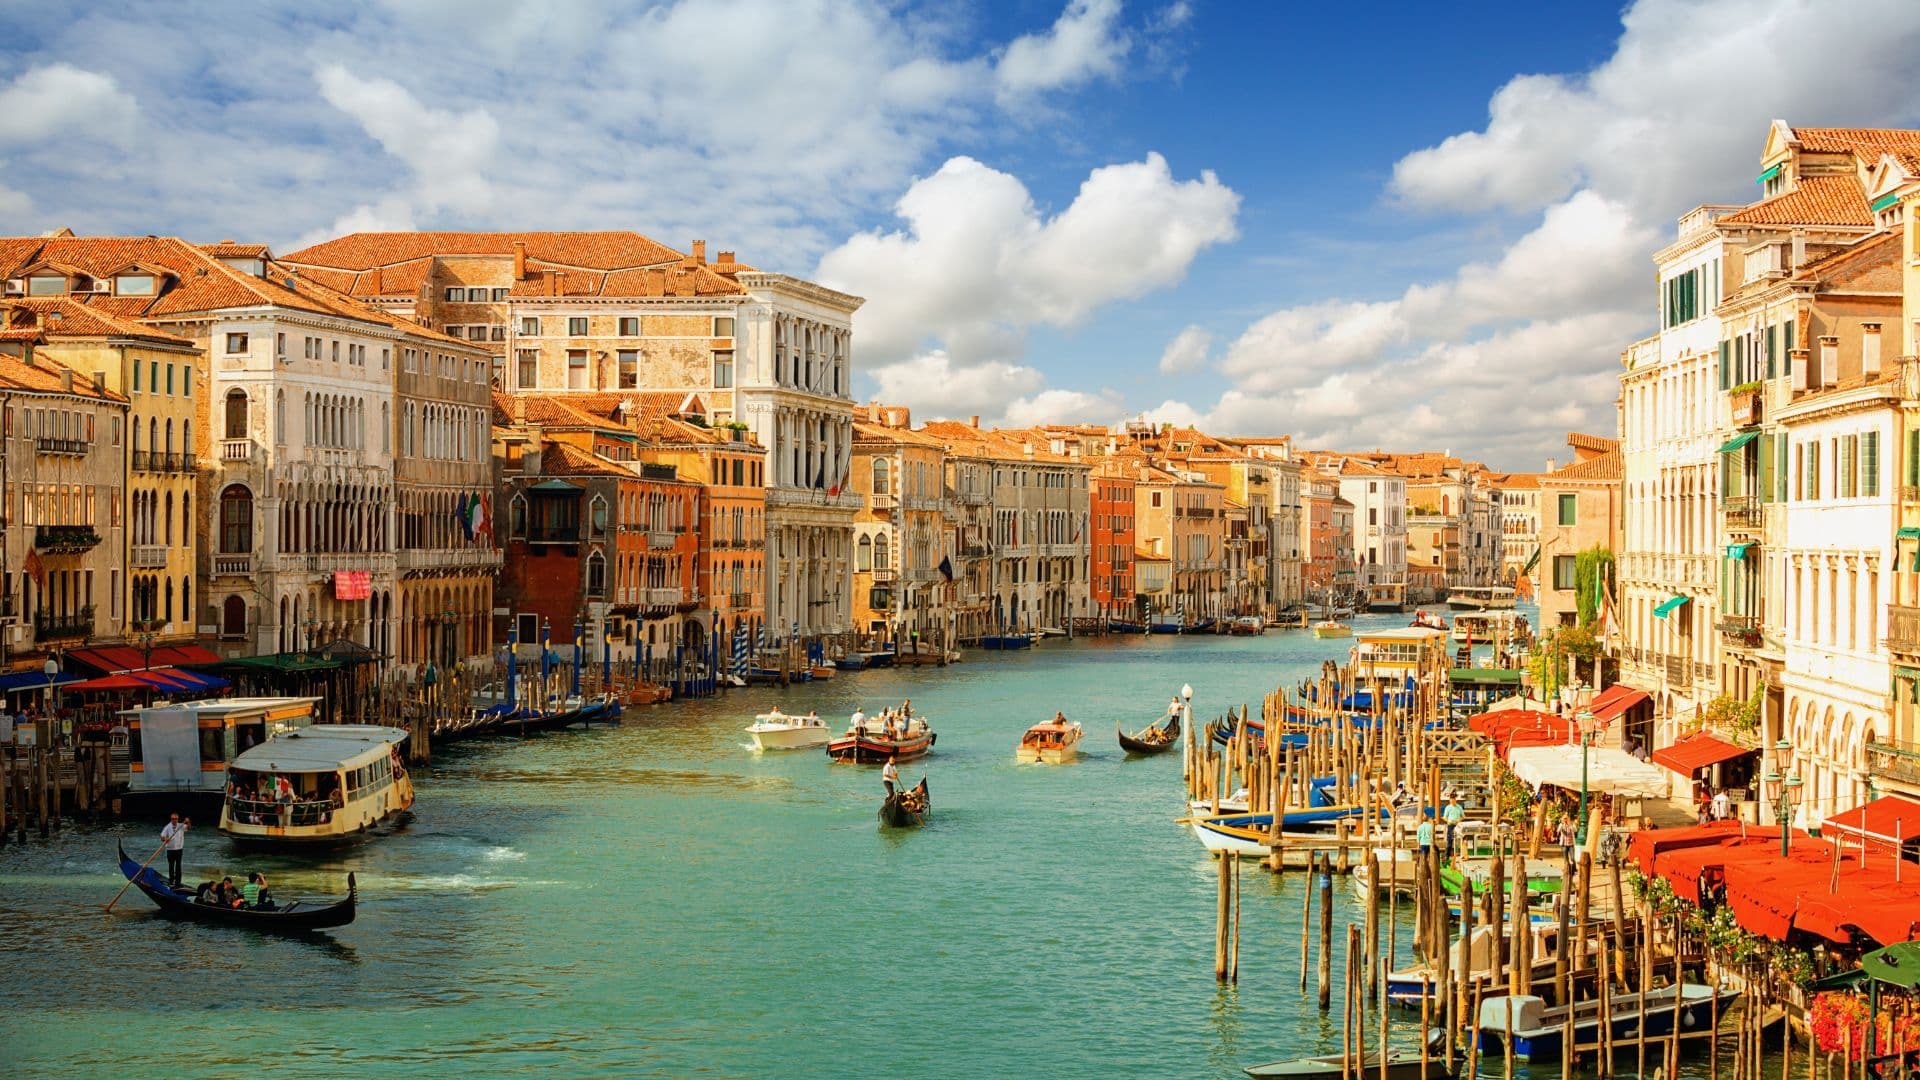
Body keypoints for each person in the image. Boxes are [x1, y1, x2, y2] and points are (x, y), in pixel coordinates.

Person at [160, 813, 189, 888]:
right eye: (173, 819)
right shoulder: (167, 827)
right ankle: (171, 881)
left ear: (178, 819)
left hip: (179, 849)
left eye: (175, 819)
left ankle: (178, 882)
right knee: (171, 866)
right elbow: (162, 837)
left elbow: (188, 828)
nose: (174, 820)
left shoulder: (181, 826)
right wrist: (165, 839)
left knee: (178, 866)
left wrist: (188, 822)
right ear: (171, 819)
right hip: (170, 850)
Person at [1442, 794, 1465, 859]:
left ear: (1455, 800)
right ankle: (1447, 855)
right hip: (1450, 824)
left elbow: (1463, 816)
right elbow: (1444, 817)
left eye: (1453, 800)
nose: (1452, 801)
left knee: (1459, 840)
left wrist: (1459, 820)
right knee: (1449, 840)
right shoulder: (1448, 807)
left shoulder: (1459, 807)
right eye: (1451, 800)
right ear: (1450, 800)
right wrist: (1448, 821)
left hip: (1458, 825)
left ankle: (1459, 855)